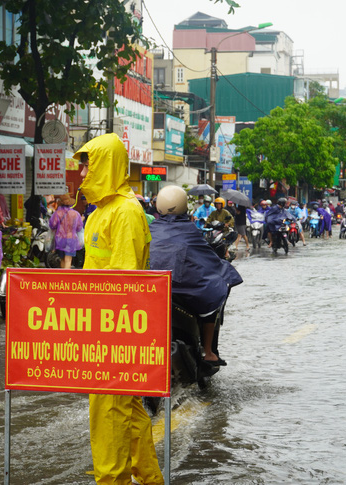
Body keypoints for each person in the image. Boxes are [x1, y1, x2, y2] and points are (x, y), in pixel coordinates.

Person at [74, 133, 163, 485]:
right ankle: (150, 478)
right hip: (98, 326)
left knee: (108, 412)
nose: (81, 173)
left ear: (105, 166)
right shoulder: (98, 213)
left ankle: (111, 481)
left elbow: (126, 283)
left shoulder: (126, 212)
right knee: (129, 411)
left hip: (116, 330)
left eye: (87, 165)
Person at [150, 185, 242, 365]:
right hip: (184, 289)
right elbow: (207, 259)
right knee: (215, 293)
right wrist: (223, 268)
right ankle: (208, 351)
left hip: (156, 289)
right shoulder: (189, 229)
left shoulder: (152, 228)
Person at [48, 193, 83, 269]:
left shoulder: (57, 213)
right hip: (71, 239)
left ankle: (62, 276)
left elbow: (52, 225)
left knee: (62, 259)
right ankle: (66, 277)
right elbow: (79, 227)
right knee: (68, 259)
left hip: (60, 239)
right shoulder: (75, 214)